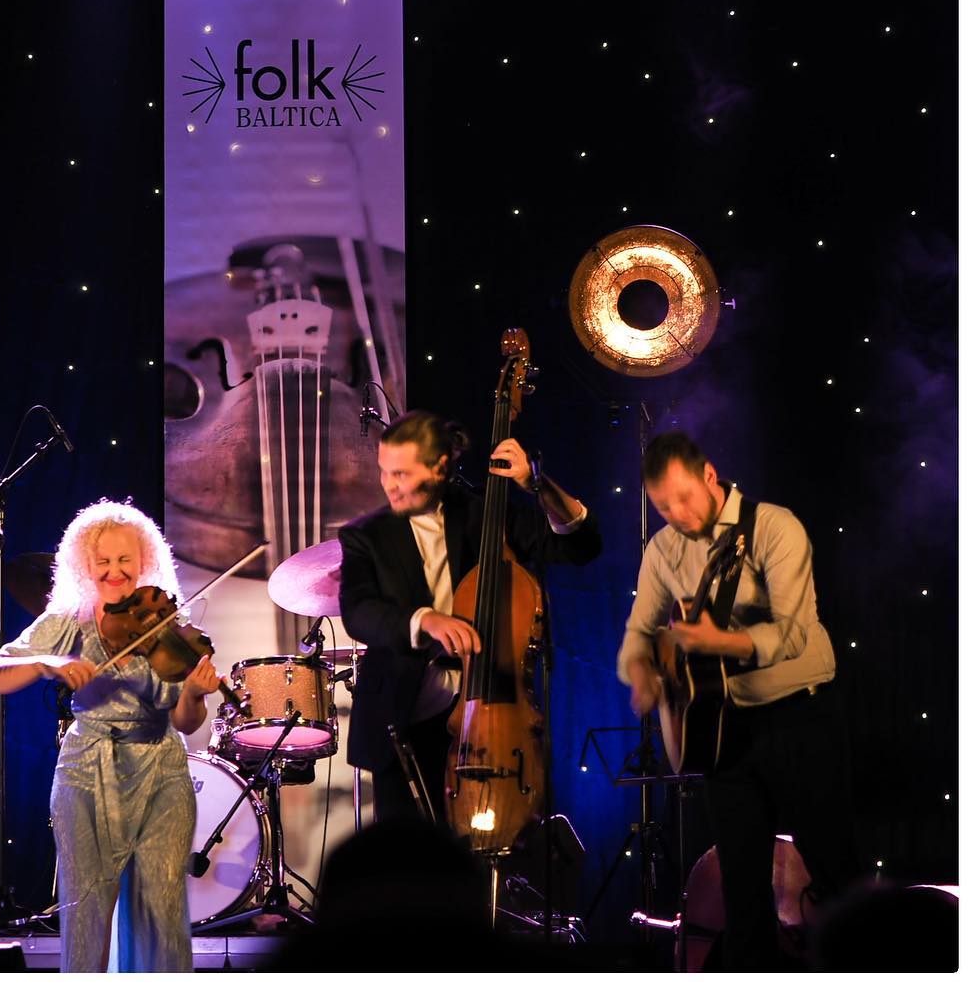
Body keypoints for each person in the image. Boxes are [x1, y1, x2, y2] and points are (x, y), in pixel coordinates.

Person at [617, 430, 859, 970]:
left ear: (710, 476)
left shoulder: (774, 527)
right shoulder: (662, 549)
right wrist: (642, 673)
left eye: (684, 498)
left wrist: (719, 642)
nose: (677, 515)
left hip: (799, 715)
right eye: (663, 507)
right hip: (722, 726)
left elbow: (792, 634)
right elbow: (640, 631)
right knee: (741, 893)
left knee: (835, 870)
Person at [0, 499, 221, 973]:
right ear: (84, 565)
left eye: (125, 560)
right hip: (87, 771)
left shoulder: (168, 624)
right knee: (87, 909)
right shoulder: (69, 618)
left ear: (145, 559)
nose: (115, 571)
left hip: (162, 769)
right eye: (104, 561)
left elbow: (185, 721)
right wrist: (48, 662)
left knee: (163, 910)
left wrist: (194, 694)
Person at [338, 410, 601, 823]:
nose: (388, 484)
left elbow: (580, 547)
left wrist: (538, 485)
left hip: (489, 715)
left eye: (401, 474)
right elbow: (358, 612)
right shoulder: (364, 535)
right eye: (384, 471)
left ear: (439, 467)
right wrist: (425, 619)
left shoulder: (484, 513)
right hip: (403, 718)